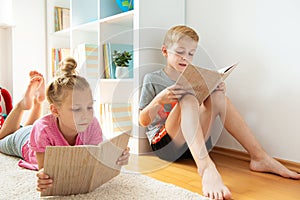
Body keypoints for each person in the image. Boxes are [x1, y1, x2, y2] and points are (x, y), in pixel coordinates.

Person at [139, 25, 300, 200]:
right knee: (187, 97)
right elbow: (143, 121)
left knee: (218, 96)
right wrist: (159, 100)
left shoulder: (194, 75)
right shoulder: (153, 79)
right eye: (180, 52)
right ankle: (206, 168)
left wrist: (216, 86)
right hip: (166, 146)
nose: (186, 57)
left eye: (191, 53)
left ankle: (259, 157)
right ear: (165, 51)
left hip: (194, 145)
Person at [0, 57, 130, 192]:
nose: (86, 114)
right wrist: (42, 176)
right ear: (55, 110)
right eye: (77, 109)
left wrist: (116, 157)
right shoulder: (42, 129)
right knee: (2, 138)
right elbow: (44, 169)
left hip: (39, 129)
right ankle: (22, 105)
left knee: (31, 126)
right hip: (24, 141)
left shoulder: (91, 123)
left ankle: (38, 102)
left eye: (89, 107)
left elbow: (96, 156)